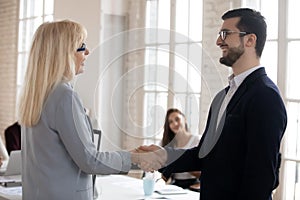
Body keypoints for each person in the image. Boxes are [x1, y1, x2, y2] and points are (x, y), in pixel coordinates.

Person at [140, 8, 287, 200]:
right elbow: (205, 155)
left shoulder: (265, 96)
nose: (219, 41)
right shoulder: (222, 97)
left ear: (250, 40)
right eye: (219, 34)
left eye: (225, 34)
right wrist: (162, 156)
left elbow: (261, 180)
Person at [17, 20, 164, 200]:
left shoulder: (36, 95)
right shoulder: (64, 97)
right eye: (81, 46)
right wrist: (135, 158)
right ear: (64, 53)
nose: (87, 52)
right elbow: (90, 161)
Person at [160, 108, 201, 190]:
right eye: (170, 122)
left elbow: (204, 172)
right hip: (175, 185)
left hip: (194, 185)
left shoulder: (197, 140)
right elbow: (164, 176)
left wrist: (181, 162)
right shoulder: (167, 143)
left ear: (184, 119)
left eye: (177, 119)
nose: (175, 123)